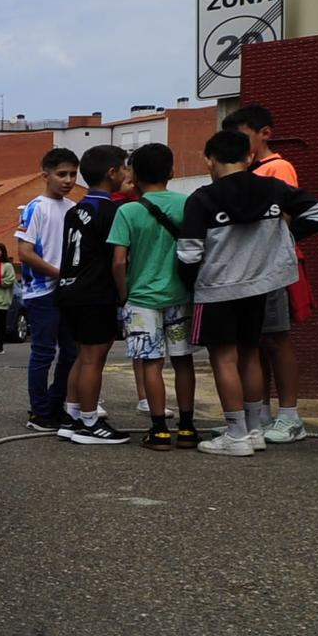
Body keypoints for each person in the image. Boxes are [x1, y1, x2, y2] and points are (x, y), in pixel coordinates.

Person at [176, 130, 318, 457]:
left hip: (217, 288)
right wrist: (283, 240)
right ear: (249, 158)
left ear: (210, 160)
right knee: (250, 354)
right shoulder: (273, 188)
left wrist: (193, 283)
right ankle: (253, 430)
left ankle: (235, 435)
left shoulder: (203, 198)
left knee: (223, 358)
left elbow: (189, 252)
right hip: (259, 285)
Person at [224, 103, 309, 443]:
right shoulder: (252, 168)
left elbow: (284, 219)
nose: (239, 144)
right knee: (254, 341)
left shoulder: (279, 168)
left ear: (264, 134)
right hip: (250, 268)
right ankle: (257, 414)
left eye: (243, 136)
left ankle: (290, 416)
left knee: (276, 338)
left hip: (270, 268)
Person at [109, 143, 197, 450]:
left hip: (142, 299)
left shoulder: (128, 211)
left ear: (134, 176)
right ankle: (187, 428)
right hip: (181, 296)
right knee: (183, 361)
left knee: (151, 362)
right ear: (172, 172)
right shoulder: (187, 205)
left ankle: (159, 429)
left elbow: (119, 261)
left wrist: (124, 294)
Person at [55, 145, 130, 444]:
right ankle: (89, 421)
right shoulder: (111, 211)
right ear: (112, 173)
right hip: (95, 293)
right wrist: (123, 294)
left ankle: (72, 415)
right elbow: (118, 259)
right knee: (94, 359)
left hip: (69, 289)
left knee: (81, 356)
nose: (126, 173)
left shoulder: (76, 210)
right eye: (123, 167)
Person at [17, 147, 80, 430]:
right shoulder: (36, 207)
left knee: (71, 352)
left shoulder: (73, 208)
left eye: (73, 175)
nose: (67, 180)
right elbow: (25, 253)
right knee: (43, 351)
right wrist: (59, 273)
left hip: (68, 291)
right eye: (61, 174)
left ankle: (56, 403)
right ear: (46, 175)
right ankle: (39, 411)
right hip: (42, 291)